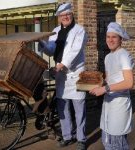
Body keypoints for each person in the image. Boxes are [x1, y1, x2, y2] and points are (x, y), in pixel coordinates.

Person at [39, 2, 87, 150]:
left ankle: (81, 139)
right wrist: (42, 43)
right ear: (59, 17)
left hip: (76, 74)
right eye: (62, 15)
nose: (65, 17)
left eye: (68, 14)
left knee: (79, 109)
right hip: (61, 76)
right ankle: (67, 136)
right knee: (63, 107)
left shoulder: (80, 30)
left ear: (72, 15)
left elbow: (75, 51)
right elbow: (52, 49)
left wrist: (61, 65)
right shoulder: (55, 30)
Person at [89, 22, 134, 150]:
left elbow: (129, 83)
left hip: (120, 105)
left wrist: (104, 89)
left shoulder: (124, 55)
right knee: (107, 142)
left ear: (121, 39)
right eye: (108, 37)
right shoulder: (108, 57)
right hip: (108, 104)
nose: (110, 40)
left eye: (114, 37)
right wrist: (95, 84)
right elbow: (109, 80)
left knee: (117, 145)